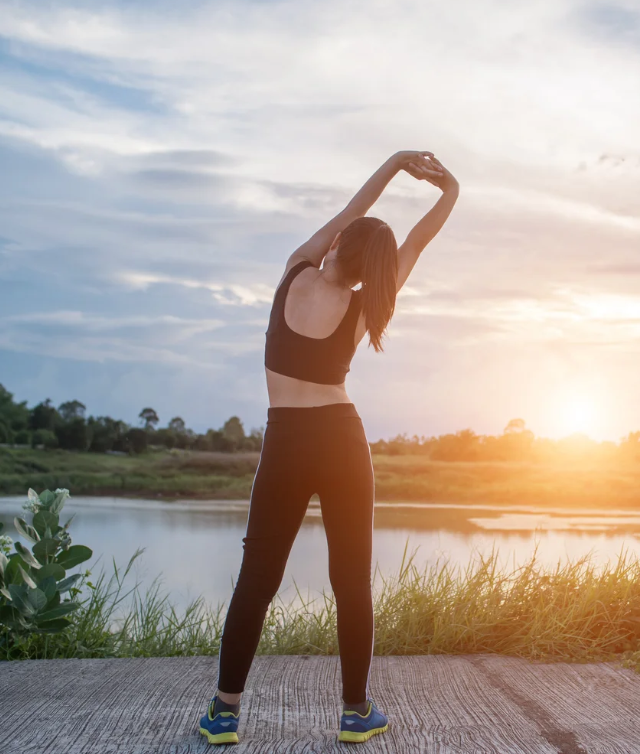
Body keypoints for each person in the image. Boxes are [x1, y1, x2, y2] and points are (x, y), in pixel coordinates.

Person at [198, 150, 459, 745]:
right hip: (342, 439)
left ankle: (224, 712)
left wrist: (395, 165)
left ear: (338, 243)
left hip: (286, 441)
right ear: (376, 270)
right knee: (351, 579)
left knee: (256, 579)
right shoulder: (369, 301)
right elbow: (414, 244)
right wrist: (450, 194)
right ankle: (354, 711)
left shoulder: (295, 270)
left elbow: (353, 209)